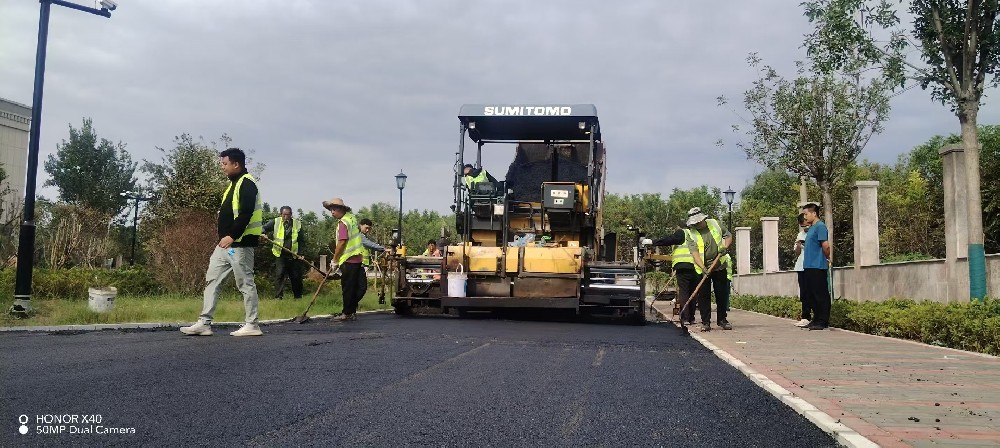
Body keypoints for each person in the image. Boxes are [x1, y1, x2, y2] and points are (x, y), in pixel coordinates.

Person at [180, 147, 264, 337]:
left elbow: (246, 213)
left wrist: (232, 235)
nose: (223, 168)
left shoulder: (247, 183)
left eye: (225, 164)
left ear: (236, 164)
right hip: (225, 246)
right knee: (212, 280)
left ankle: (252, 324)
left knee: (245, 283)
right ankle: (204, 323)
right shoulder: (232, 185)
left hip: (239, 245)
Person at [685, 207, 734, 331]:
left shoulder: (714, 223)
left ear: (703, 219)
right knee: (703, 296)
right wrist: (703, 267)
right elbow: (694, 252)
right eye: (694, 223)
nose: (697, 224)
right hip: (703, 269)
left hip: (719, 265)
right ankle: (705, 322)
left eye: (698, 222)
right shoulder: (691, 233)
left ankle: (722, 320)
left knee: (721, 294)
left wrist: (725, 247)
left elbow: (728, 236)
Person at [324, 197, 366, 322]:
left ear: (341, 209)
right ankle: (350, 310)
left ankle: (347, 312)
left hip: (349, 259)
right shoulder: (351, 218)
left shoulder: (344, 222)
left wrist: (335, 260)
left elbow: (342, 242)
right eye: (331, 210)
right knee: (356, 287)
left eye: (334, 209)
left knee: (348, 287)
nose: (332, 212)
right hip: (356, 258)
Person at [650, 226, 698, 324]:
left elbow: (669, 240)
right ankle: (691, 318)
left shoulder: (682, 232)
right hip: (697, 265)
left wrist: (653, 242)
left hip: (683, 265)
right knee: (693, 292)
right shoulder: (696, 234)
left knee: (684, 291)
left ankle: (684, 317)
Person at [801, 202, 832, 330]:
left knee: (821, 295)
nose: (805, 217)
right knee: (811, 294)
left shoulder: (820, 226)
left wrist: (827, 257)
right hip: (809, 266)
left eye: (806, 214)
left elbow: (825, 245)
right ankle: (816, 319)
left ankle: (822, 320)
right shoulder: (811, 227)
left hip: (818, 266)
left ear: (814, 213)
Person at [263, 206, 304, 300]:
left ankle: (298, 297)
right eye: (284, 214)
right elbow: (264, 228)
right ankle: (278, 297)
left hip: (294, 254)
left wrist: (301, 253)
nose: (287, 216)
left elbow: (301, 240)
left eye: (289, 214)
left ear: (291, 214)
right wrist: (263, 233)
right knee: (280, 275)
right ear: (280, 214)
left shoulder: (297, 224)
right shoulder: (275, 221)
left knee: (296, 276)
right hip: (280, 254)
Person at [358, 218, 385, 300]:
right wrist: (383, 249)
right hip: (358, 265)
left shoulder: (362, 236)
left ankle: (352, 307)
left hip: (362, 265)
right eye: (366, 228)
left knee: (358, 288)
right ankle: (351, 306)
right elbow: (369, 244)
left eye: (369, 229)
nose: (367, 230)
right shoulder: (359, 235)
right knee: (362, 287)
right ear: (360, 225)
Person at [793, 213, 812, 327]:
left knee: (813, 292)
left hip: (812, 265)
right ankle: (805, 316)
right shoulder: (800, 235)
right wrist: (799, 246)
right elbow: (797, 253)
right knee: (804, 292)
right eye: (803, 226)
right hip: (801, 266)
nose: (805, 227)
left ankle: (816, 316)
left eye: (806, 225)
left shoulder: (815, 232)